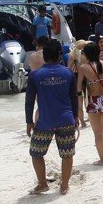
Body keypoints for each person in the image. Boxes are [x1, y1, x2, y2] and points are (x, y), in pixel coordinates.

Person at [25, 38, 79, 195]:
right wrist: (75, 116)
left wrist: (29, 121)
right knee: (67, 153)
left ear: (44, 56)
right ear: (59, 55)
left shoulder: (35, 76)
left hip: (44, 122)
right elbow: (74, 98)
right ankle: (64, 185)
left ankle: (42, 184)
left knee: (36, 153)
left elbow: (29, 102)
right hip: (66, 119)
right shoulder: (68, 73)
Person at [76, 42, 103, 165]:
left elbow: (78, 88)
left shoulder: (83, 67)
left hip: (93, 101)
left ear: (86, 54)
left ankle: (102, 159)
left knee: (98, 133)